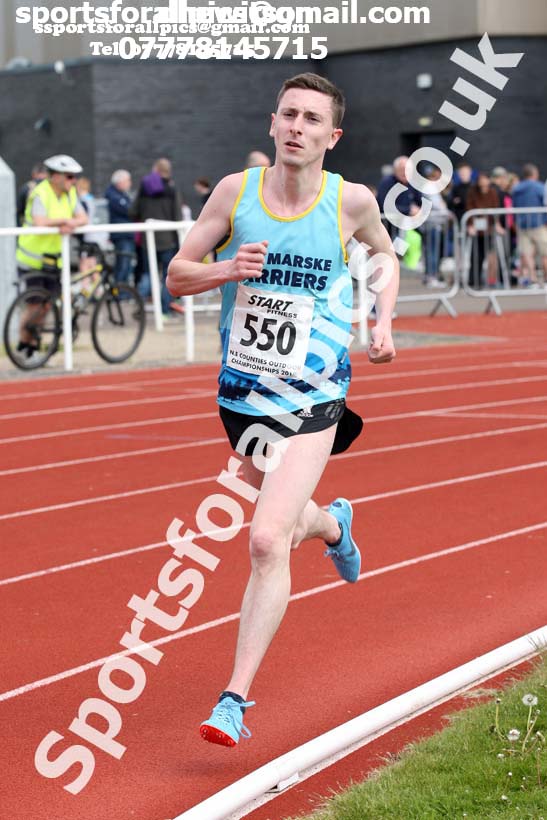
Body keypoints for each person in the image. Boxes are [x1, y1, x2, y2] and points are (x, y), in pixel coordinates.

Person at [167, 72, 399, 747]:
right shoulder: (235, 194)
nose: (297, 127)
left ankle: (232, 700)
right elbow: (177, 275)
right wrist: (224, 270)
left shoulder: (349, 201)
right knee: (288, 515)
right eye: (288, 115)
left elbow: (383, 258)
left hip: (315, 393)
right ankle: (331, 526)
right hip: (243, 396)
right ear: (272, 124)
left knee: (266, 538)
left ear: (332, 136)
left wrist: (380, 322)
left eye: (311, 119)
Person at [15, 154, 88, 354]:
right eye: (70, 176)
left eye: (74, 177)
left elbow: (83, 217)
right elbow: (40, 221)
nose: (73, 181)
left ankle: (34, 344)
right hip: (32, 259)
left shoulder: (70, 194)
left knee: (47, 306)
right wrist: (65, 221)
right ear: (56, 176)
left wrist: (72, 222)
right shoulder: (40, 193)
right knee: (34, 305)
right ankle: (24, 342)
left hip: (54, 259)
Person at [131, 158, 183, 318]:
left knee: (147, 274)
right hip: (168, 239)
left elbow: (133, 211)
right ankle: (165, 309)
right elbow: (177, 215)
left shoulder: (144, 187)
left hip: (148, 238)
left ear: (156, 170)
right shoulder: (172, 189)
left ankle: (139, 308)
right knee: (168, 276)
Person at [465, 172, 505, 288]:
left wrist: (497, 224)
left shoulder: (493, 192)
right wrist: (470, 225)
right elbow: (469, 207)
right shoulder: (472, 192)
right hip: (477, 229)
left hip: (489, 229)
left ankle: (494, 280)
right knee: (476, 255)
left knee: (493, 256)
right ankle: (474, 281)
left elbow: (495, 208)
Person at [511, 164, 547, 286]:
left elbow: (513, 205)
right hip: (538, 224)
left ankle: (533, 278)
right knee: (545, 253)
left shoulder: (516, 188)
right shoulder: (539, 187)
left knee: (527, 254)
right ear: (534, 174)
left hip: (522, 224)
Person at [104, 169, 135, 284]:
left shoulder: (122, 195)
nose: (130, 183)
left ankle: (123, 292)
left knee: (126, 264)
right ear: (120, 182)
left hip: (126, 235)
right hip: (121, 236)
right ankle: (120, 292)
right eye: (128, 180)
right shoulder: (113, 196)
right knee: (123, 264)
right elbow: (129, 210)